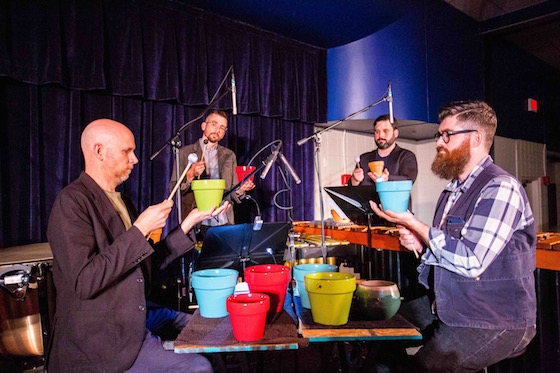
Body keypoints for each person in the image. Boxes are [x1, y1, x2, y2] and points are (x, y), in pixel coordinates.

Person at [46, 119, 227, 372]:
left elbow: (144, 267)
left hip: (139, 315)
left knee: (217, 332)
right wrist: (140, 229)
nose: (135, 159)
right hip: (103, 336)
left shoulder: (122, 202)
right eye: (126, 151)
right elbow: (84, 281)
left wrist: (188, 223)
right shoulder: (71, 203)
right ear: (99, 151)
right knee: (198, 368)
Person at [371, 101, 537, 372]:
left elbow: (471, 260)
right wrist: (421, 243)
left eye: (448, 135)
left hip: (494, 317)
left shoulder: (501, 187)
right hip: (452, 303)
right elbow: (450, 250)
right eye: (440, 135)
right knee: (387, 335)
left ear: (476, 138)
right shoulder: (451, 192)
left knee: (425, 368)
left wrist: (415, 223)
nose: (440, 142)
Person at [169, 110, 254, 226]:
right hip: (196, 222)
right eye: (214, 124)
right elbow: (174, 189)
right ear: (204, 126)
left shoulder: (229, 155)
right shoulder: (185, 153)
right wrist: (190, 175)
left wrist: (241, 190)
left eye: (222, 127)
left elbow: (232, 191)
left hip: (223, 220)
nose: (217, 130)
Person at [350, 114, 418, 186]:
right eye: (377, 131)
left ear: (395, 133)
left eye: (385, 131)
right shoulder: (364, 159)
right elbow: (351, 189)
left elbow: (408, 181)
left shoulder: (406, 156)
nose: (380, 135)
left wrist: (387, 179)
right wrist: (355, 180)